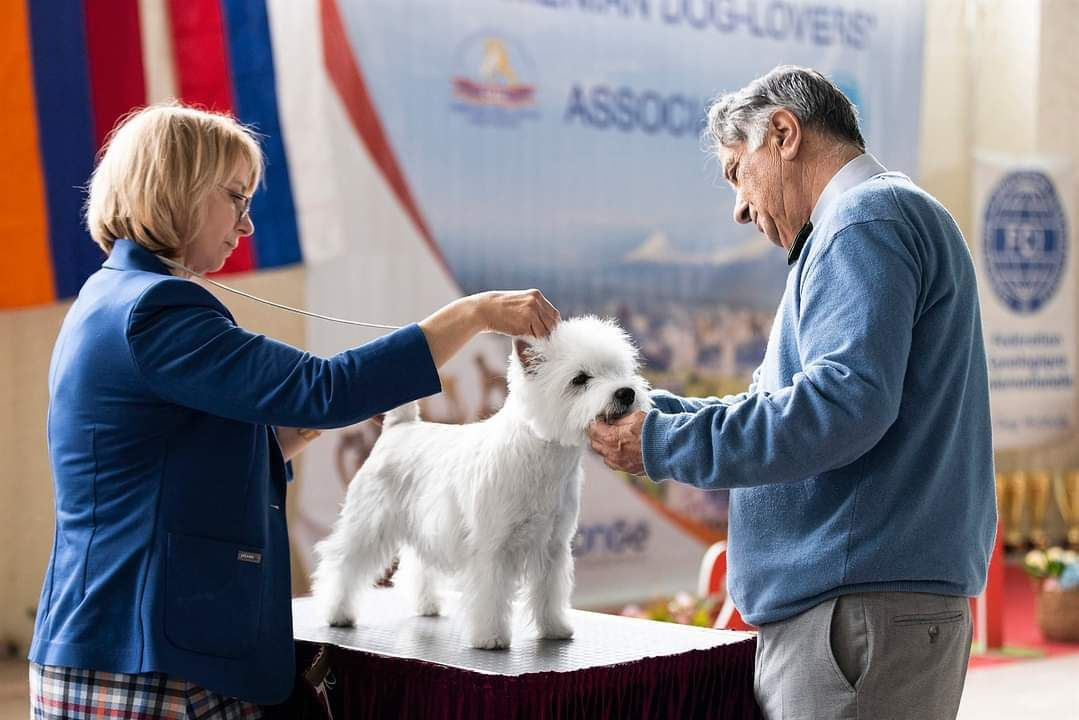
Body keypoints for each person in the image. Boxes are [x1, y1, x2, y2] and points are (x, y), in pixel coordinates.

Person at [28, 102, 560, 718]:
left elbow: (183, 457)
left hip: (136, 645)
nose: (247, 226)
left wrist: (297, 426)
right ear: (177, 187)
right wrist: (472, 315)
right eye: (235, 197)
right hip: (142, 654)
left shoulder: (110, 297)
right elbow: (325, 389)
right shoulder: (158, 310)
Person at [588, 66, 995, 719]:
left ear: (782, 132)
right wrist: (652, 416)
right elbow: (803, 402)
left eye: (734, 172)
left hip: (858, 611)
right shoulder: (874, 219)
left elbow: (841, 408)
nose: (738, 207)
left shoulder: (863, 219)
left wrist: (662, 441)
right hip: (864, 609)